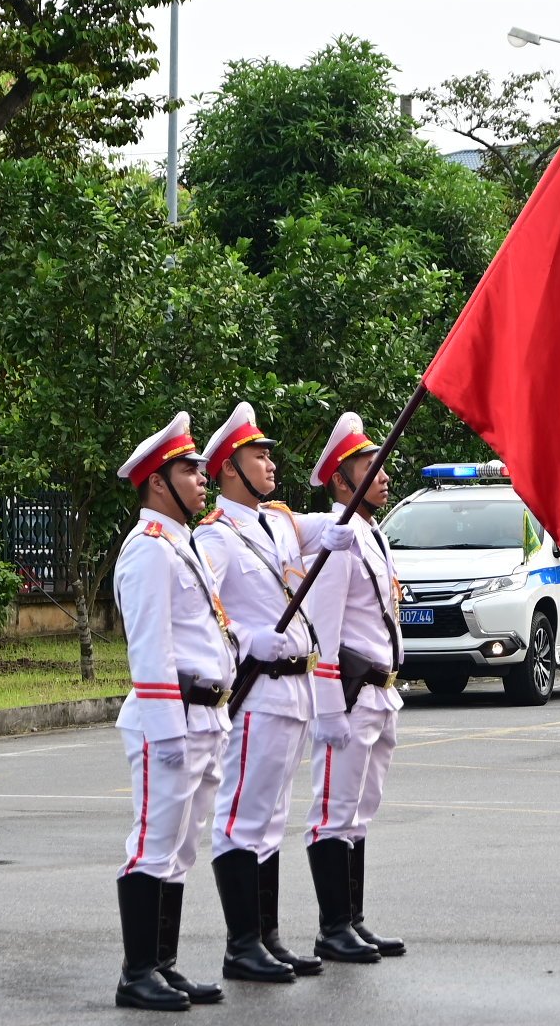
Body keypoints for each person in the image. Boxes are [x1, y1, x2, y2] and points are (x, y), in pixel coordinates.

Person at [194, 402, 354, 983]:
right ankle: (241, 944)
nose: (270, 462)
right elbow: (199, 606)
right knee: (241, 819)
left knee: (270, 818)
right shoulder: (214, 536)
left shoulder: (278, 521)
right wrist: (244, 638)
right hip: (257, 692)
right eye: (257, 455)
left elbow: (323, 528)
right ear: (229, 469)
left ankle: (268, 935)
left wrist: (341, 526)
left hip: (294, 695)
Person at [110, 412, 233, 1012]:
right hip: (171, 719)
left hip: (204, 716)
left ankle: (163, 963)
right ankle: (137, 972)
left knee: (182, 847)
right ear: (159, 481)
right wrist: (168, 731)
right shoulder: (150, 551)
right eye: (189, 469)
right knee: (152, 844)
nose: (202, 477)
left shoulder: (182, 543)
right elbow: (150, 648)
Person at [303, 412, 406, 963]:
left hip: (381, 692)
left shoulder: (372, 535)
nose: (384, 474)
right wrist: (327, 710)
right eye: (371, 465)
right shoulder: (339, 538)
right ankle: (331, 927)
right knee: (332, 812)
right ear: (343, 480)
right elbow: (325, 629)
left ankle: (353, 920)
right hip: (350, 693)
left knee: (360, 811)